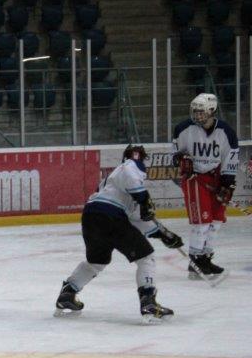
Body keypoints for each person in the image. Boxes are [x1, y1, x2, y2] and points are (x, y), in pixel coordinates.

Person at [55, 145, 184, 323]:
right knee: (146, 257)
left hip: (91, 216)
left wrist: (162, 234)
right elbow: (132, 172)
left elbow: (136, 217)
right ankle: (148, 302)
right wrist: (144, 198)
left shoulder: (113, 182)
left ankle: (68, 294)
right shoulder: (129, 166)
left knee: (96, 262)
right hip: (110, 216)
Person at [172, 93, 239, 280]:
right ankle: (195, 262)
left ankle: (206, 258)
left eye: (201, 112)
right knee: (202, 223)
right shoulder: (183, 129)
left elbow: (230, 158)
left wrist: (227, 183)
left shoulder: (226, 132)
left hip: (216, 177)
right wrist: (180, 160)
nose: (197, 115)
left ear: (212, 110)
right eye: (195, 111)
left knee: (216, 222)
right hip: (195, 179)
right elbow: (175, 156)